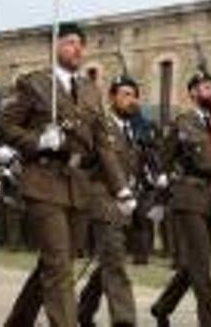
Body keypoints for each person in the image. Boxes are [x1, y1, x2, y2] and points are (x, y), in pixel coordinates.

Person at [1, 22, 135, 327]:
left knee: (56, 262)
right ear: (55, 46)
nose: (77, 48)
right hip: (43, 179)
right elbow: (4, 126)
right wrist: (37, 142)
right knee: (59, 265)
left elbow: (102, 143)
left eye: (80, 43)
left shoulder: (89, 90)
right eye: (70, 42)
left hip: (77, 184)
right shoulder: (34, 83)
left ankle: (18, 322)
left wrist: (121, 189)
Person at [150, 71, 211, 327]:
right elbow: (196, 157)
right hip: (189, 195)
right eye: (206, 88)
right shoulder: (185, 121)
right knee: (201, 263)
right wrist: (162, 182)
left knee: (195, 262)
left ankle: (163, 306)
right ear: (193, 92)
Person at [76, 75, 143, 327]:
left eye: (133, 95)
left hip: (125, 202)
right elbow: (85, 162)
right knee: (115, 262)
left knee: (108, 261)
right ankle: (124, 320)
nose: (131, 100)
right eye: (125, 94)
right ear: (112, 97)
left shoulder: (133, 129)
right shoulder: (100, 126)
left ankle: (83, 309)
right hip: (102, 199)